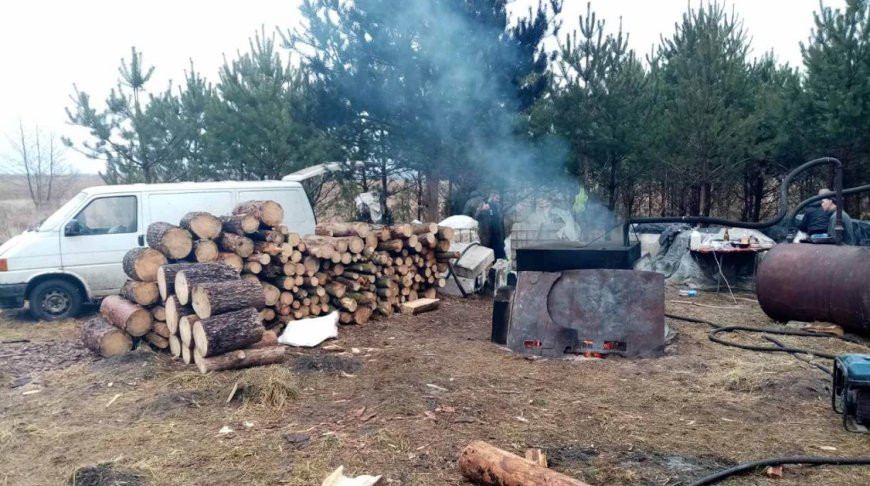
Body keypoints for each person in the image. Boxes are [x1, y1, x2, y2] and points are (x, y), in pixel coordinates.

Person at [475, 192, 507, 260]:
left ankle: (499, 269)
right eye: (497, 198)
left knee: (500, 257)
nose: (498, 200)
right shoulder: (484, 204)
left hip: (498, 236)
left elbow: (501, 223)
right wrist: (482, 210)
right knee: (490, 256)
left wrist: (503, 236)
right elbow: (476, 217)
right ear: (492, 197)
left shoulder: (499, 207)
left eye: (499, 198)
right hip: (488, 236)